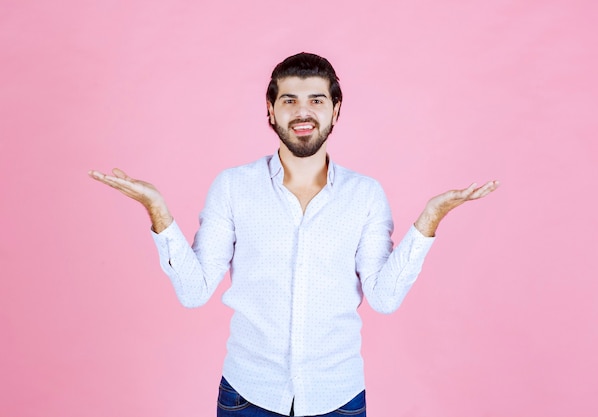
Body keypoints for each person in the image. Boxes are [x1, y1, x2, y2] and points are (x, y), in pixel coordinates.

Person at [89, 52, 499, 417]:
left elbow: (384, 298)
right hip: (247, 397)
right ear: (270, 110)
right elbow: (194, 292)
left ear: (336, 111)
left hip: (337, 399)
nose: (303, 112)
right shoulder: (233, 186)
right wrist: (157, 210)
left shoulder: (366, 195)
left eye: (316, 100)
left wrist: (431, 218)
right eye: (289, 100)